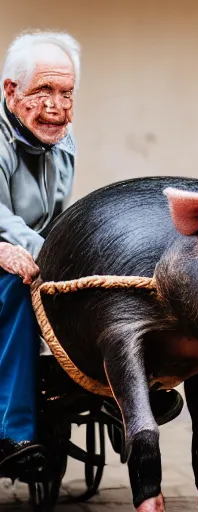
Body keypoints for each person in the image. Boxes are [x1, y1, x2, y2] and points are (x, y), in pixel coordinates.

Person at [0, 30, 80, 475]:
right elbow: (3, 218)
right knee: (18, 283)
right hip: (11, 260)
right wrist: (52, 256)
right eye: (43, 90)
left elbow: (56, 217)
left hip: (36, 256)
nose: (56, 105)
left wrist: (71, 252)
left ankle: (114, 390)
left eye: (66, 93)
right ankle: (12, 434)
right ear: (11, 91)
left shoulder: (63, 143)